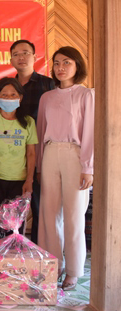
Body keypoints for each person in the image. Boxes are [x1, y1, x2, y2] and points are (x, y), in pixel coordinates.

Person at [37, 47, 94, 291]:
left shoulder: (86, 94)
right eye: (57, 62)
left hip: (75, 154)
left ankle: (73, 270)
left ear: (77, 65)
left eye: (67, 62)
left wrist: (88, 167)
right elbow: (40, 132)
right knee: (49, 215)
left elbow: (91, 132)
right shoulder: (46, 98)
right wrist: (39, 166)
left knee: (73, 215)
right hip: (50, 153)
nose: (61, 67)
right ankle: (53, 265)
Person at [11, 39, 55, 243]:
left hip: (42, 154)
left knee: (40, 206)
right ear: (11, 59)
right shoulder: (9, 86)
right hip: (12, 155)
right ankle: (12, 250)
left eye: (25, 53)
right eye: (16, 54)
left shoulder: (48, 84)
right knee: (12, 207)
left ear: (35, 57)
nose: (21, 57)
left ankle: (39, 250)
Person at [0, 77, 37, 244]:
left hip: (18, 181)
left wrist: (29, 180)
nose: (8, 98)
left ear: (20, 97)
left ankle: (12, 257)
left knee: (14, 225)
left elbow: (31, 153)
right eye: (4, 95)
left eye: (13, 94)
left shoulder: (28, 122)